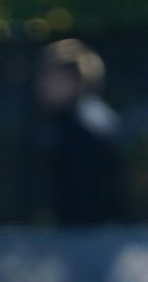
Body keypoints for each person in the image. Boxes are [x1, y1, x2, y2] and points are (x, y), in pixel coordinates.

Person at [34, 38, 126, 225]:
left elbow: (86, 199)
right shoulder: (90, 118)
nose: (40, 85)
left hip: (87, 241)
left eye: (47, 76)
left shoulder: (83, 127)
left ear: (71, 78)